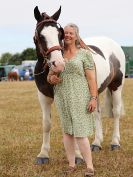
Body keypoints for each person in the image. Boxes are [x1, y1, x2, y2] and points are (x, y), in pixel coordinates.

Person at [47, 23, 97, 177]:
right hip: (62, 97)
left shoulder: (84, 54)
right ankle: (71, 164)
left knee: (80, 132)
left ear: (76, 36)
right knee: (67, 132)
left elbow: (91, 79)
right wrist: (52, 78)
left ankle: (89, 166)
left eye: (71, 33)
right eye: (66, 33)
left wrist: (93, 98)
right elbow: (49, 76)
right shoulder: (57, 54)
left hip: (80, 96)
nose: (68, 35)